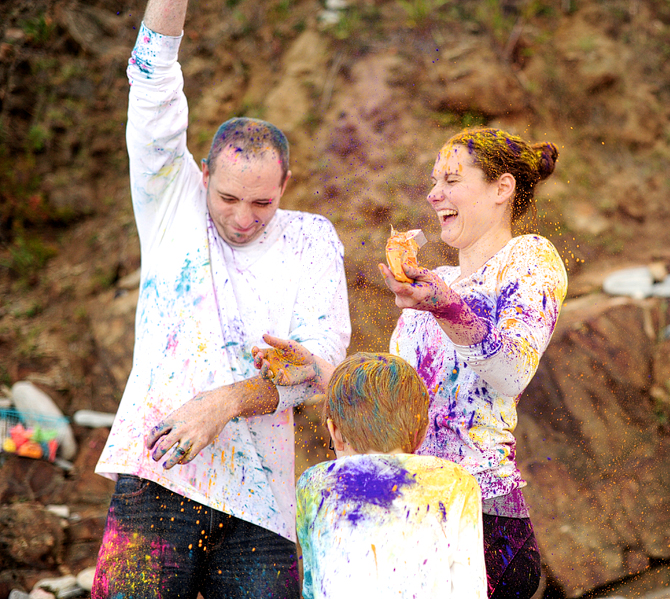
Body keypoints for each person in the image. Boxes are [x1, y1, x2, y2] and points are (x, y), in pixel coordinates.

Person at [90, 0, 351, 597]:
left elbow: (323, 368)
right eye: (229, 198)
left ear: (285, 183)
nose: (242, 219)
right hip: (157, 475)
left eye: (263, 204)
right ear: (204, 175)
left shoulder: (312, 238)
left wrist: (255, 388)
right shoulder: (171, 199)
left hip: (263, 504)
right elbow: (152, 82)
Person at [257, 127, 567, 598]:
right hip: (414, 513)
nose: (433, 193)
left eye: (451, 180)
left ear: (502, 188)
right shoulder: (432, 283)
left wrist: (447, 308)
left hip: (484, 523)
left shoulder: (528, 258)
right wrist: (319, 372)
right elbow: (398, 404)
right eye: (433, 180)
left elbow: (512, 370)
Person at [291, 352, 487, 598]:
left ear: (335, 433)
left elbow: (313, 583)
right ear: (422, 431)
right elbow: (470, 588)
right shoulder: (456, 483)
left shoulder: (315, 484)